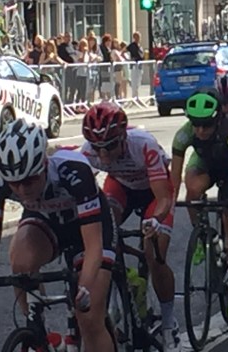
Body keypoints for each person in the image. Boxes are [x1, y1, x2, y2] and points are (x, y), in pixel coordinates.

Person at [0, 119, 114, 352]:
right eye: (15, 184)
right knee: (20, 261)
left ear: (44, 164)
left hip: (88, 227)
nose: (23, 190)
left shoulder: (73, 172)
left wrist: (84, 288)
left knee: (90, 319)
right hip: (47, 221)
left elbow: (94, 246)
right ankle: (39, 334)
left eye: (30, 180)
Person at [80, 103, 180, 351]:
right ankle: (123, 283)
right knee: (103, 231)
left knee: (153, 253)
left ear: (123, 136)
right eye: (97, 148)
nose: (103, 155)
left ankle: (169, 323)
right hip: (121, 186)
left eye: (110, 146)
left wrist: (155, 220)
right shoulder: (87, 153)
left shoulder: (144, 145)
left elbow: (164, 198)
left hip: (154, 192)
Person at [169, 88, 228, 319]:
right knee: (192, 189)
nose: (200, 130)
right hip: (207, 164)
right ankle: (205, 234)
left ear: (217, 119)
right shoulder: (184, 135)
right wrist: (167, 209)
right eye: (196, 125)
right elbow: (174, 180)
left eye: (206, 125)